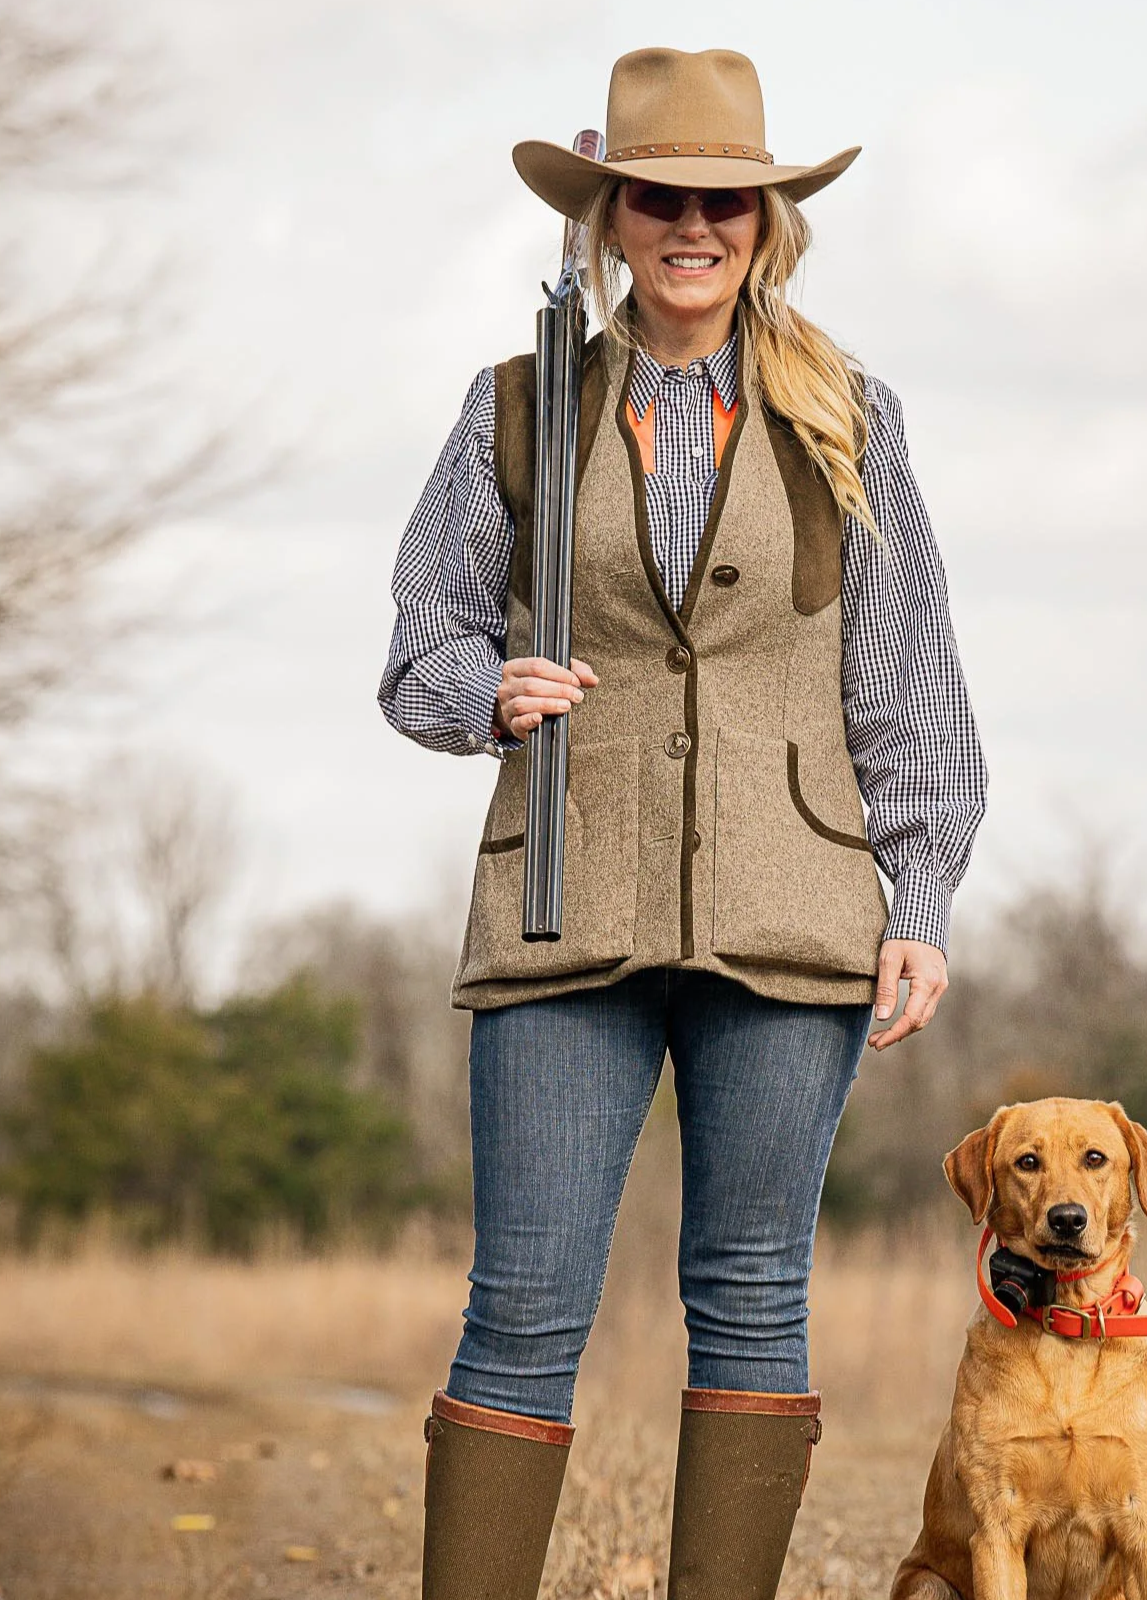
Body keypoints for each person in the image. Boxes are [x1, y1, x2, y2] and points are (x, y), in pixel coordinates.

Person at [377, 45, 986, 1600]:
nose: (694, 225)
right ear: (613, 214)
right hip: (560, 909)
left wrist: (916, 901)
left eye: (726, 199)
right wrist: (487, 685)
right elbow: (418, 650)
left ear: (767, 219)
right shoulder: (516, 404)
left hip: (794, 911)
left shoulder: (852, 411)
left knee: (754, 1292)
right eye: (662, 196)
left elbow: (906, 679)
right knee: (521, 1304)